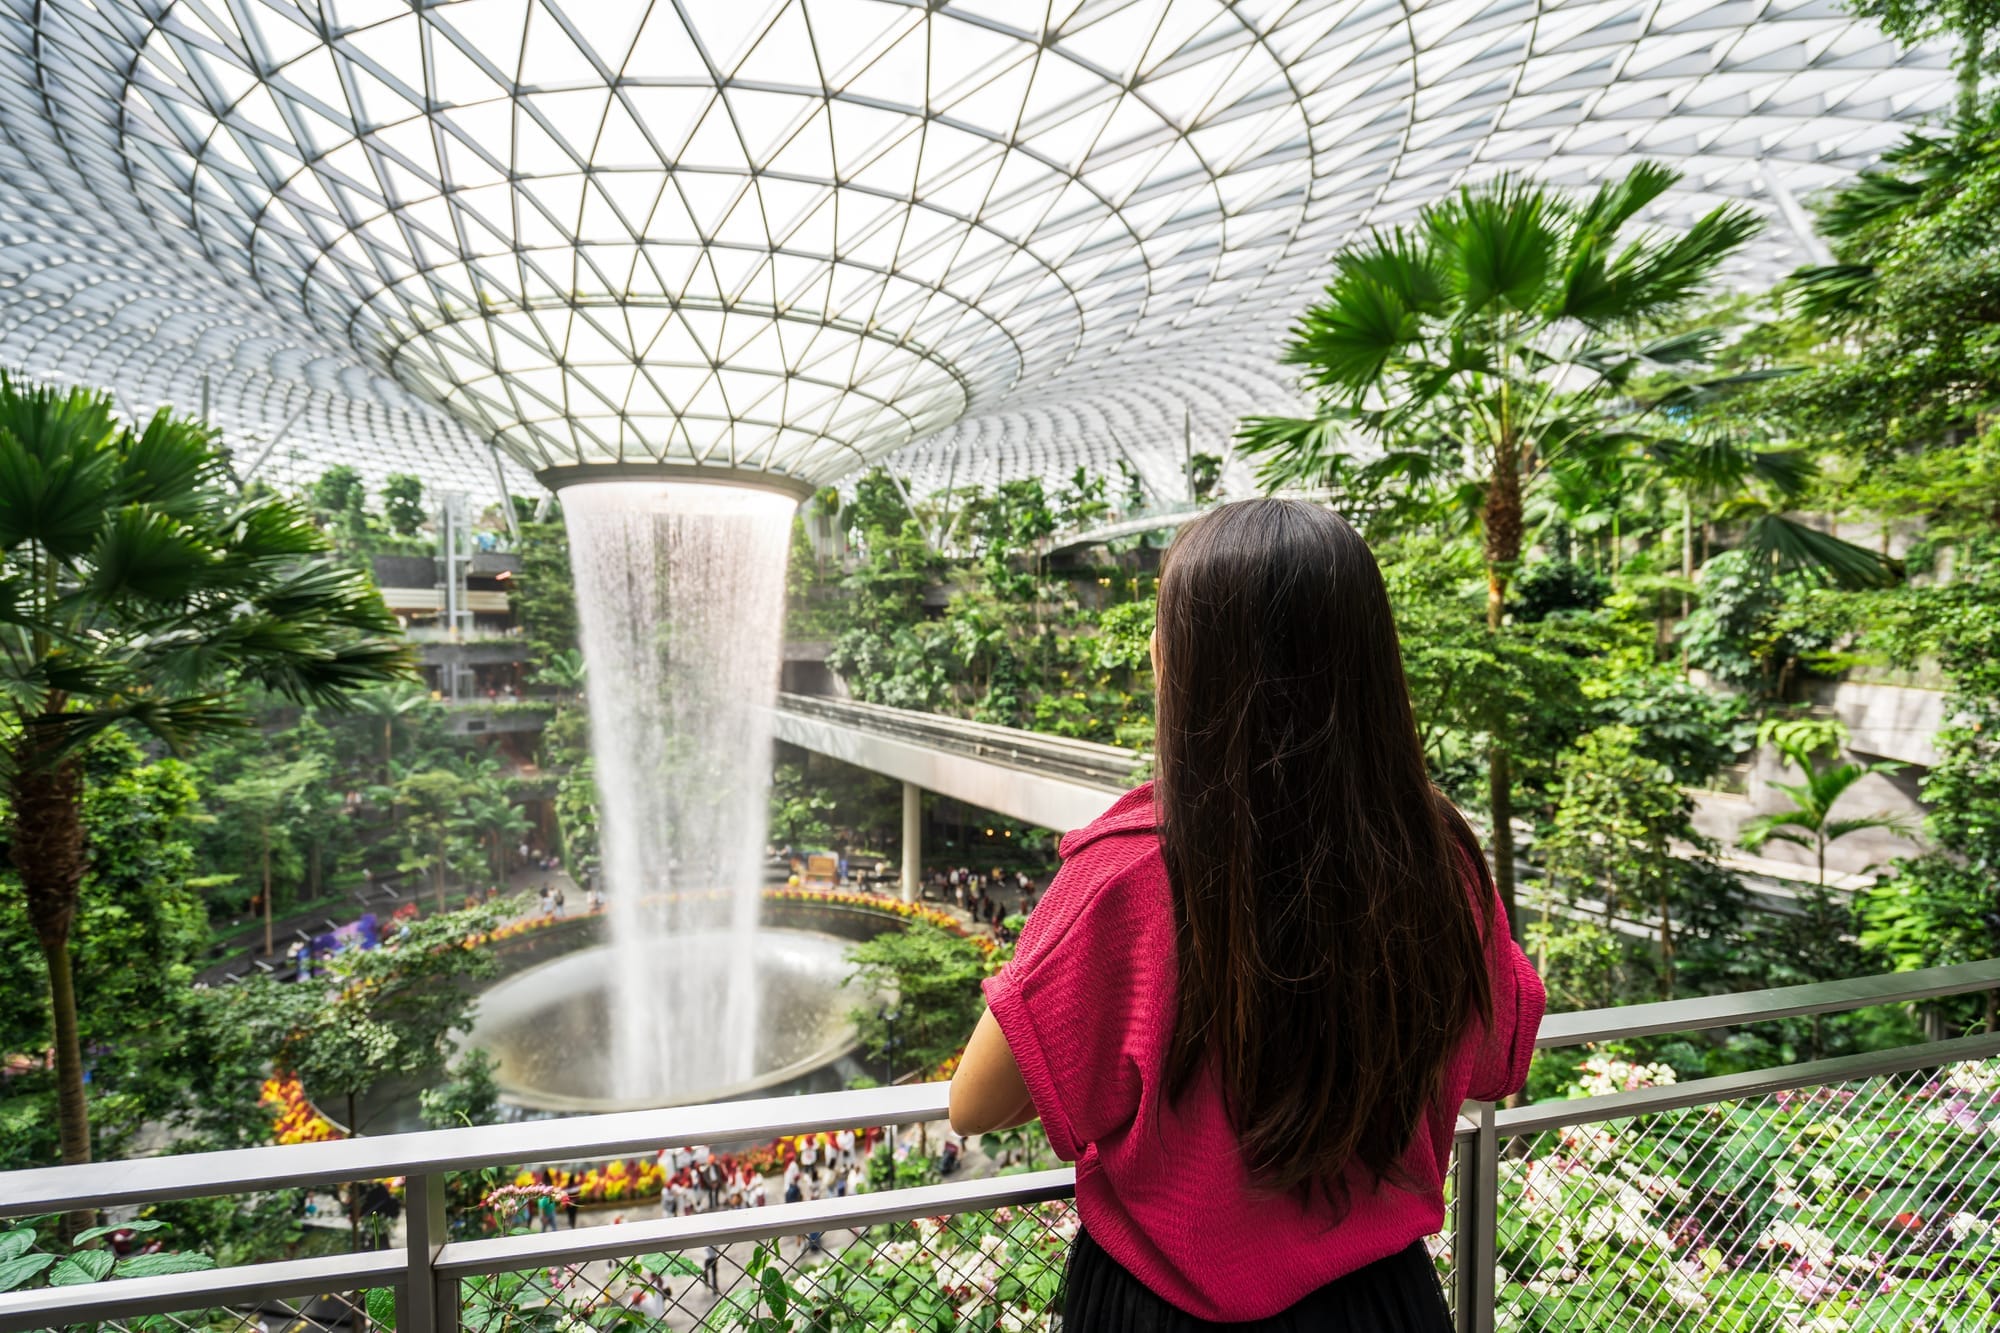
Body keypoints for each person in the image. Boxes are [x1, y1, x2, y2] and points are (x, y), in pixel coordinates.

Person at [947, 500, 1544, 1332]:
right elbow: (1494, 1057)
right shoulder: (1437, 860)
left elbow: (974, 1102)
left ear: (1178, 665)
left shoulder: (1128, 873)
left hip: (1156, 1312)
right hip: (1380, 1307)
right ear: (1371, 664)